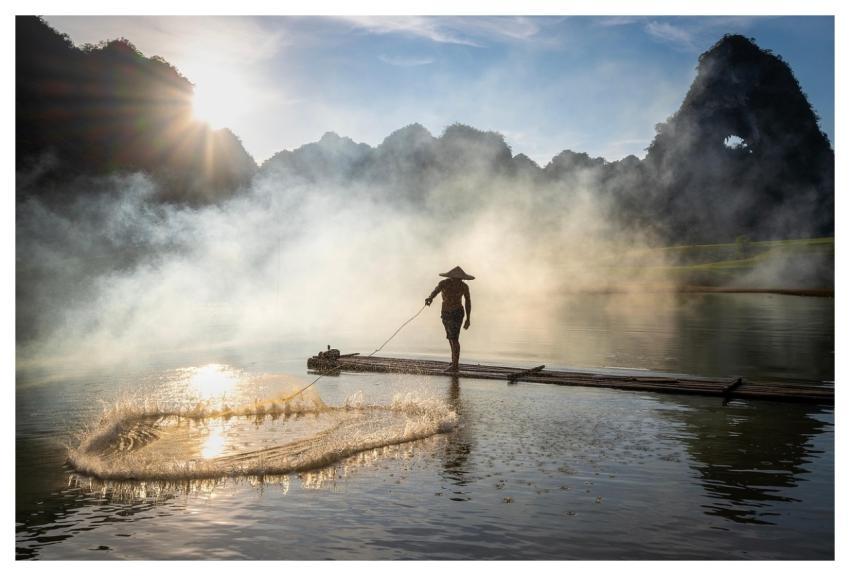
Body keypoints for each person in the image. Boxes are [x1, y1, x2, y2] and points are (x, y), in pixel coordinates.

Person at [425, 266, 473, 372]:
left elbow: (468, 302)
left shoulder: (464, 286)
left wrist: (468, 318)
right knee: (450, 337)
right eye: (455, 279)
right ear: (451, 278)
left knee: (454, 338)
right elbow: (435, 291)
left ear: (461, 279)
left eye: (459, 279)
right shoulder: (444, 283)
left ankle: (455, 365)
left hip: (457, 313)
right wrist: (430, 298)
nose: (457, 281)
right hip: (446, 313)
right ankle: (454, 361)